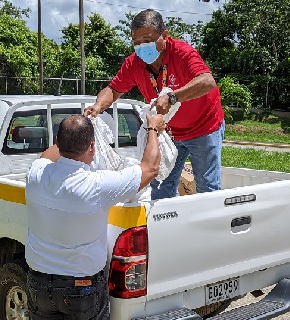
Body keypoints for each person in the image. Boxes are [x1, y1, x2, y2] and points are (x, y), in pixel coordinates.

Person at [21, 113, 165, 320]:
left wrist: (75, 129)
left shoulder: (37, 174)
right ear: (92, 146)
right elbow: (150, 168)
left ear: (58, 143)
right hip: (83, 289)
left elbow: (47, 155)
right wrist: (153, 128)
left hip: (40, 284)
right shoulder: (98, 185)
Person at [85, 8, 225, 200]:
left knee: (207, 188)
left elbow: (207, 82)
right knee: (160, 185)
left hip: (203, 129)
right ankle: (164, 220)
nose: (142, 46)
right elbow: (114, 89)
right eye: (136, 42)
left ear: (164, 36)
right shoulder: (134, 63)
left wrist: (173, 97)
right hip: (169, 133)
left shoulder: (182, 53)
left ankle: (211, 219)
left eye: (147, 40)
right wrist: (98, 106)